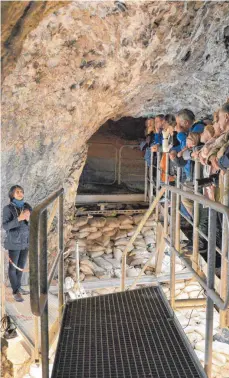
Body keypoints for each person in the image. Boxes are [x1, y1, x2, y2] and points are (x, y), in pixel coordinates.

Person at [2, 185, 32, 302]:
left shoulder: (26, 206)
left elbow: (31, 219)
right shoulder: (7, 209)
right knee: (13, 268)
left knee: (20, 267)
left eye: (21, 191)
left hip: (25, 242)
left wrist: (29, 217)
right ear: (12, 195)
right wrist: (18, 219)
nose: (20, 194)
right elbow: (5, 226)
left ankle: (18, 287)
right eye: (17, 192)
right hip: (14, 243)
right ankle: (15, 291)